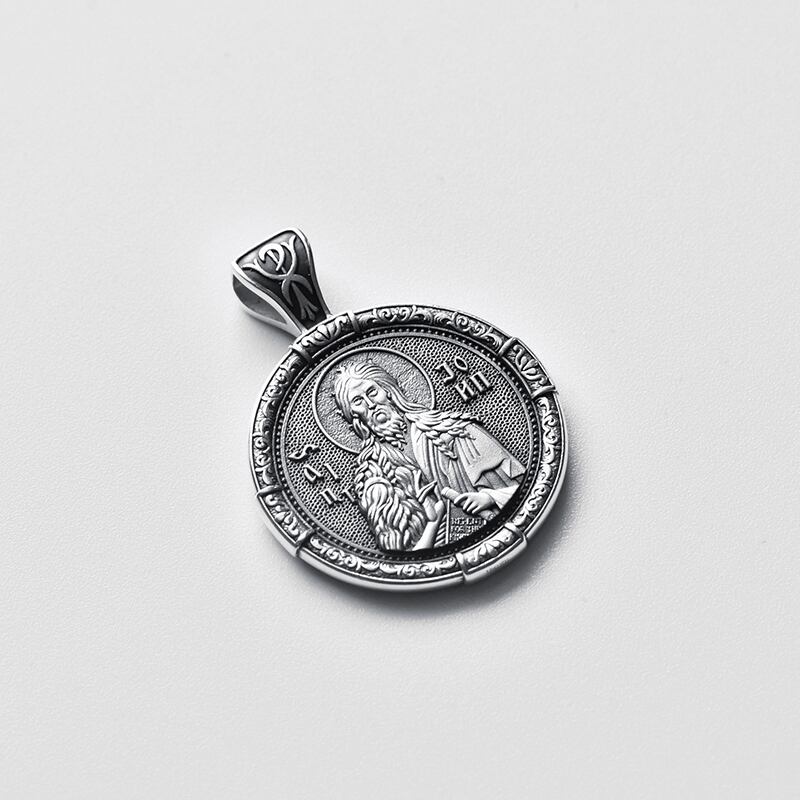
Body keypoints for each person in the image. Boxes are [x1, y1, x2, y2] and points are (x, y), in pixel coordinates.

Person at [332, 360, 524, 552]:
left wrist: (490, 498)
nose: (370, 404)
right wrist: (433, 524)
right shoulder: (372, 477)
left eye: (372, 392)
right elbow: (399, 559)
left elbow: (525, 487)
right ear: (353, 414)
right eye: (358, 401)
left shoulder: (453, 431)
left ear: (388, 391)